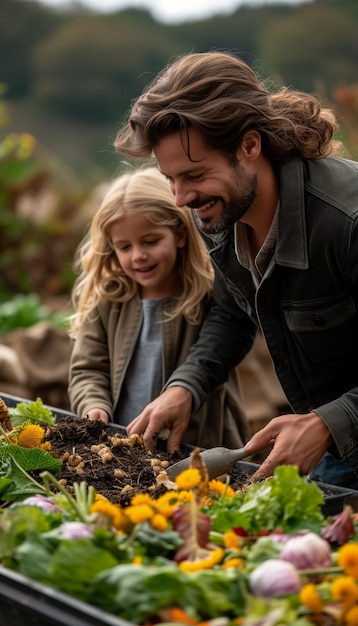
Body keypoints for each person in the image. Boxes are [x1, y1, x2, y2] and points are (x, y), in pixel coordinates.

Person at [114, 50, 358, 489]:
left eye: (193, 175)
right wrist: (185, 386)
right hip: (335, 448)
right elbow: (230, 314)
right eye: (170, 179)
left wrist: (326, 422)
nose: (180, 199)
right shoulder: (216, 213)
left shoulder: (348, 223)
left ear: (250, 145)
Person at [67, 166, 250, 450]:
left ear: (179, 235)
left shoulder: (209, 296)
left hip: (195, 449)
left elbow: (217, 358)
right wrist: (93, 405)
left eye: (151, 241)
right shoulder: (107, 298)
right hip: (123, 448)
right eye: (124, 247)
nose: (139, 256)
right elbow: (87, 369)